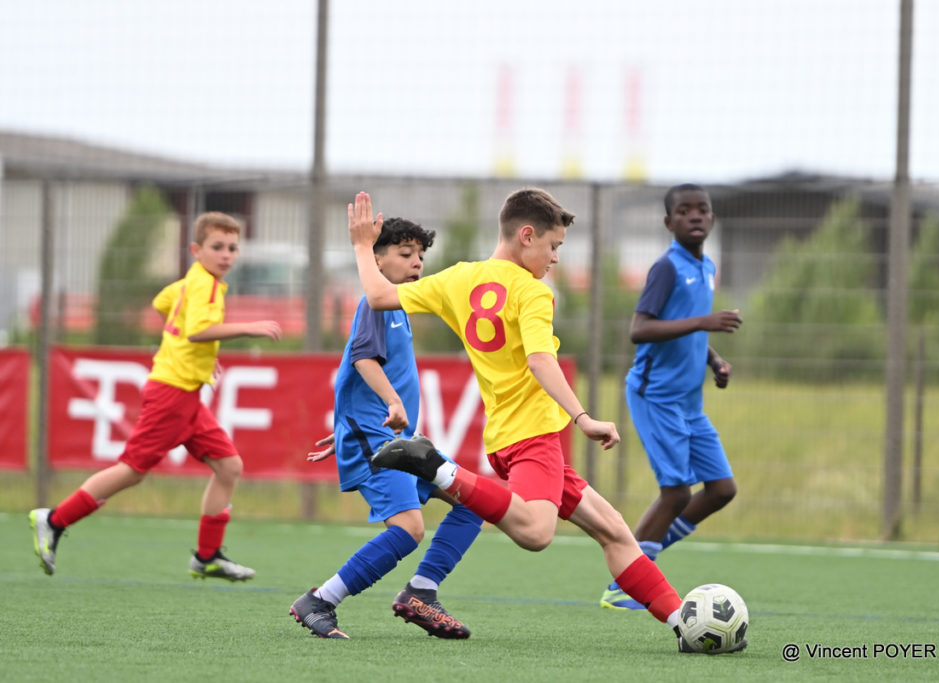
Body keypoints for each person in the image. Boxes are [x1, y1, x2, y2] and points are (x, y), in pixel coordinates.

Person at [347, 189, 706, 654]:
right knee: (537, 533)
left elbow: (377, 295)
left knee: (613, 529)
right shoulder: (532, 291)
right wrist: (583, 417)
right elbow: (540, 360)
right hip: (534, 435)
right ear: (527, 235)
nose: (555, 258)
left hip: (504, 438)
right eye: (554, 246)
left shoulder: (459, 278)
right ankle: (438, 467)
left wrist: (362, 245)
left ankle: (684, 625)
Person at [29, 211, 282, 581]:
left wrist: (198, 356)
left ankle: (207, 556)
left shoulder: (193, 280)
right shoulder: (207, 286)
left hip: (187, 394)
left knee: (229, 466)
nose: (226, 254)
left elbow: (164, 303)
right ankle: (53, 520)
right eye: (217, 247)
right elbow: (197, 330)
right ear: (196, 250)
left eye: (232, 248)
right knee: (132, 471)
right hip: (172, 394)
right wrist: (250, 327)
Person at [289, 217, 483, 640]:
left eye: (420, 256)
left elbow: (354, 375)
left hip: (393, 440)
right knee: (410, 529)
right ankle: (320, 600)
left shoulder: (397, 307)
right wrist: (387, 406)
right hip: (378, 439)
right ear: (376, 259)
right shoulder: (373, 304)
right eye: (405, 253)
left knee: (473, 502)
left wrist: (347, 425)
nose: (417, 263)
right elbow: (362, 358)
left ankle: (421, 593)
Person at [599, 183, 742, 611]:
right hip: (656, 396)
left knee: (721, 489)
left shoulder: (707, 266)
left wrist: (714, 361)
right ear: (668, 222)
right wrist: (704, 323)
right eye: (684, 211)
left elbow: (688, 327)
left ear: (712, 218)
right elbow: (640, 329)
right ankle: (625, 585)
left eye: (702, 210)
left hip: (689, 403)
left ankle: (641, 564)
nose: (695, 216)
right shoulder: (666, 268)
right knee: (676, 493)